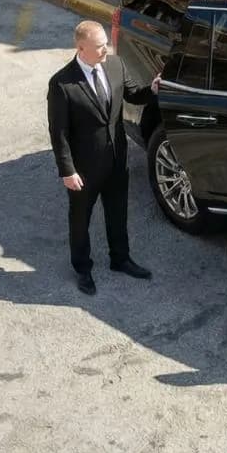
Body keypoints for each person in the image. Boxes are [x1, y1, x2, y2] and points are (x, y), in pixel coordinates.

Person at [48, 20, 159, 295]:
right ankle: (83, 268)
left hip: (116, 160)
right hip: (84, 169)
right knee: (80, 220)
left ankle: (120, 259)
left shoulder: (115, 65)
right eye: (99, 46)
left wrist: (154, 89)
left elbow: (133, 94)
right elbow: (58, 132)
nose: (105, 50)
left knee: (118, 212)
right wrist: (67, 171)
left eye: (106, 44)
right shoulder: (62, 83)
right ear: (81, 47)